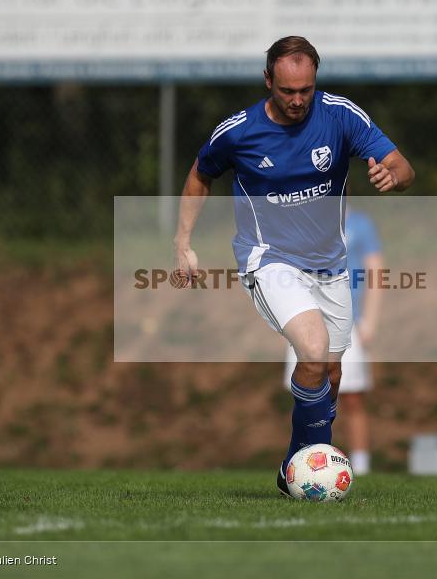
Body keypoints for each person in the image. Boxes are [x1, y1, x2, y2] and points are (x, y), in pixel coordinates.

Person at [173, 36, 414, 495]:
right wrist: (182, 242)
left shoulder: (340, 115)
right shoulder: (238, 132)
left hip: (332, 267)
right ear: (269, 82)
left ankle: (294, 467)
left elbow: (401, 164)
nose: (298, 100)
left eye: (305, 89)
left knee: (332, 373)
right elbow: (200, 175)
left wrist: (394, 175)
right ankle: (315, 469)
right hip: (269, 260)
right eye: (287, 91)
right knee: (314, 348)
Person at [283, 207, 383, 476]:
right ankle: (306, 462)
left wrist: (370, 320)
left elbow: (374, 270)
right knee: (306, 397)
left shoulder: (360, 223)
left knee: (352, 397)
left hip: (348, 320)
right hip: (306, 320)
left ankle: (361, 464)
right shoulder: (300, 218)